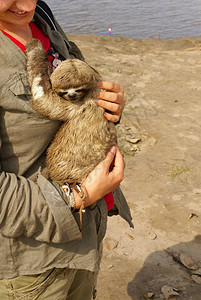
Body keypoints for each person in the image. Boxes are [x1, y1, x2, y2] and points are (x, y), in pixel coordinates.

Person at [0, 0, 133, 299]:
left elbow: (78, 89)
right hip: (33, 258)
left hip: (86, 235)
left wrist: (106, 105)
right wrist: (77, 196)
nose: (23, 4)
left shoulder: (41, 15)